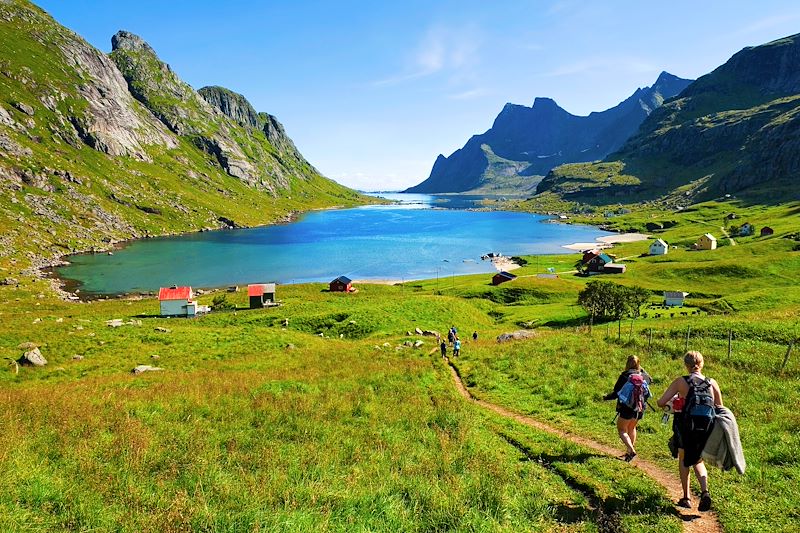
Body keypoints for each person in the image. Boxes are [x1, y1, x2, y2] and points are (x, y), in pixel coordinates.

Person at [657, 351, 723, 512]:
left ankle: (686, 497)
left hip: (684, 426)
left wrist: (676, 402)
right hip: (705, 427)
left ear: (686, 365)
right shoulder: (712, 382)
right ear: (702, 363)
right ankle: (704, 491)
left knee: (684, 458)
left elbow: (661, 402)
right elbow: (720, 407)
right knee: (698, 460)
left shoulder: (681, 382)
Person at [603, 355, 652, 462]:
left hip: (627, 408)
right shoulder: (643, 375)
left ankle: (631, 450)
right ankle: (629, 452)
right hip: (640, 407)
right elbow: (650, 380)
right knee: (632, 428)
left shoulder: (625, 376)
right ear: (638, 364)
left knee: (621, 429)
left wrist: (606, 397)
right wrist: (641, 369)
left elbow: (617, 392)